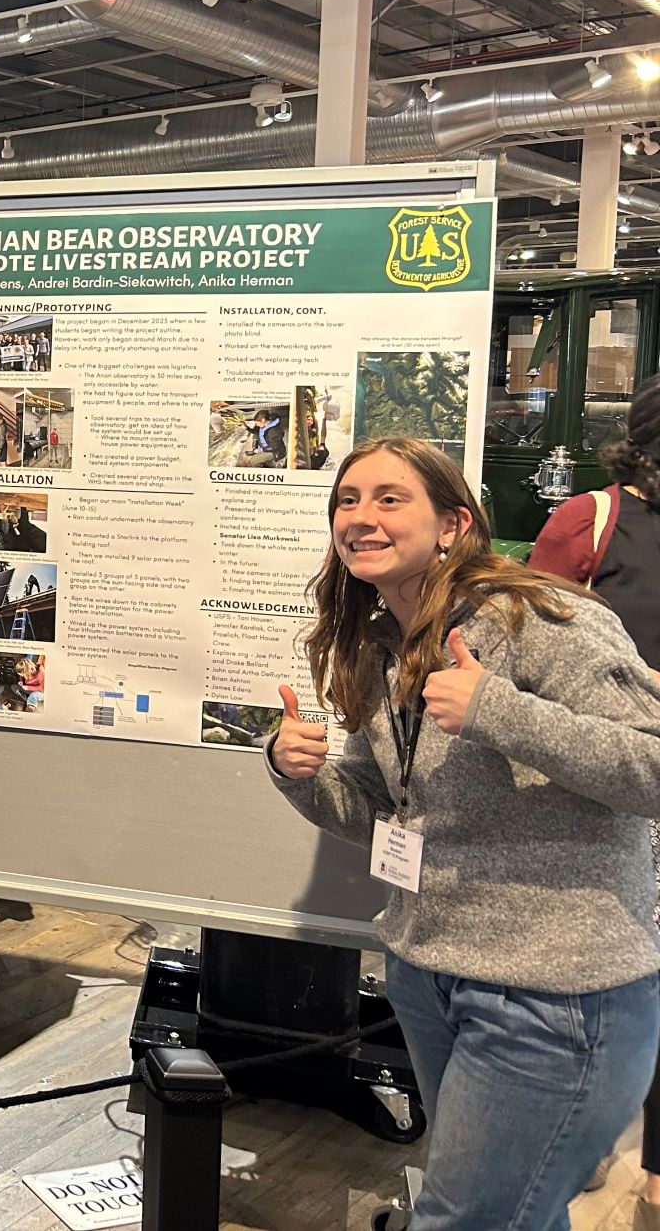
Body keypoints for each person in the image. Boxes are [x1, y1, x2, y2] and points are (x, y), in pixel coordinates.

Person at [266, 435, 660, 1230]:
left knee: (465, 1220)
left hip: (554, 994)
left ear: (452, 524)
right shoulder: (381, 641)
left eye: (388, 498)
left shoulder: (542, 618)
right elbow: (384, 810)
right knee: (516, 1214)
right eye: (347, 500)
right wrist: (296, 775)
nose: (360, 518)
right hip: (429, 970)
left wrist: (499, 713)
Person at [530, 374, 660, 1228]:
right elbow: (532, 648)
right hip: (610, 783)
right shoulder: (591, 521)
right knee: (620, 955)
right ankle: (579, 1132)